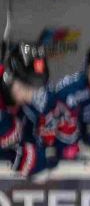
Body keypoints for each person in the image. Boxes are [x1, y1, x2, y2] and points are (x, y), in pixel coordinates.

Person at [0, 41, 56, 177]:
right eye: (26, 86)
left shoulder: (37, 105)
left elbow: (45, 151)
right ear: (9, 77)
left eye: (36, 87)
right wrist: (11, 155)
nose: (30, 94)